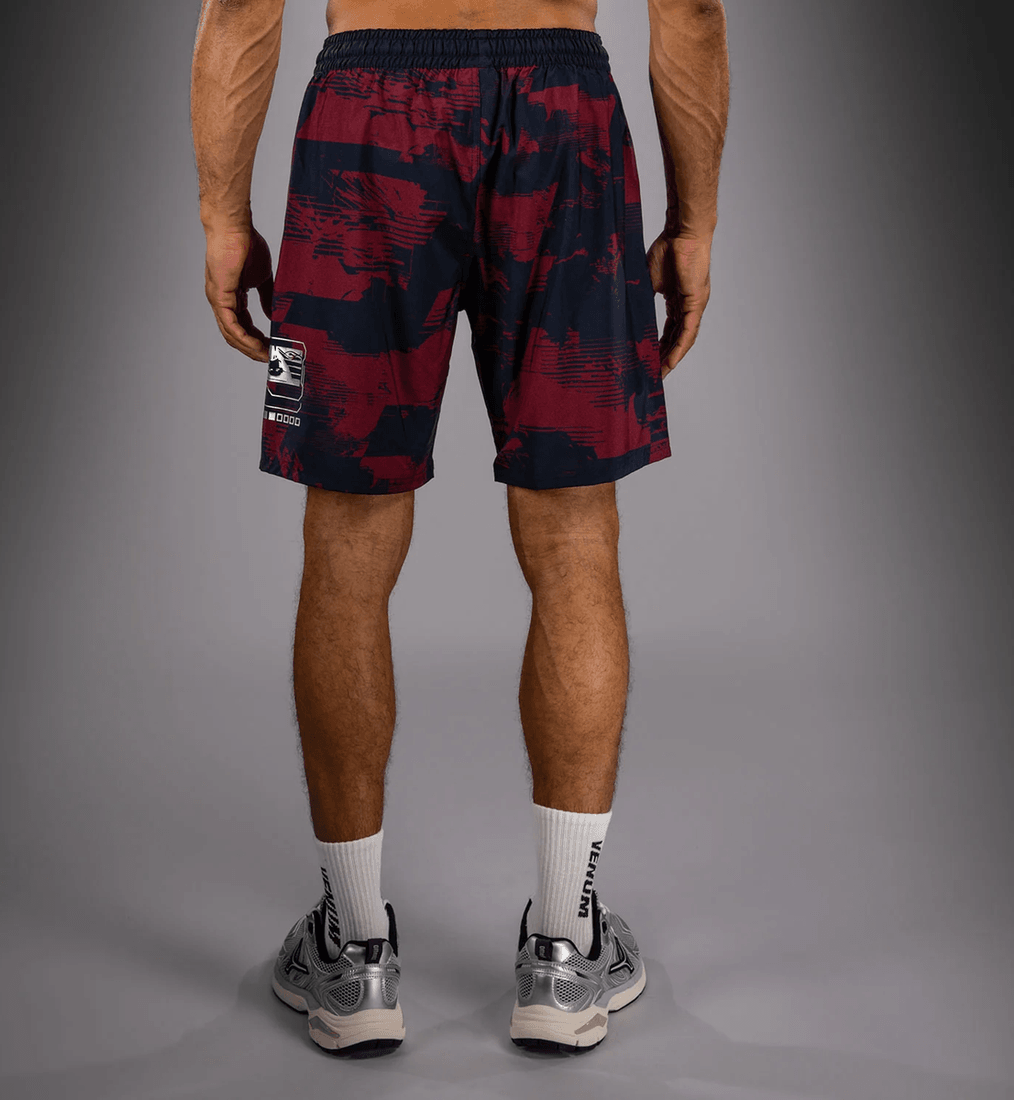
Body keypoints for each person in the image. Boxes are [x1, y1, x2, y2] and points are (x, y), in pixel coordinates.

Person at [190, 0, 729, 1058]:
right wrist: (695, 220)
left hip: (364, 118)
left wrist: (222, 214)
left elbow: (242, 6)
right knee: (574, 535)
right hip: (564, 118)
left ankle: (352, 954)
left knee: (346, 543)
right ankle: (565, 953)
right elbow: (693, 10)